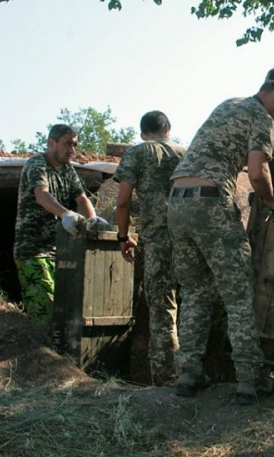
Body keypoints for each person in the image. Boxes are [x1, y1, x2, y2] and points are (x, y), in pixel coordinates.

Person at [167, 62, 274, 404]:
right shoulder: (261, 117)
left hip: (177, 203)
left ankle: (189, 374)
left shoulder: (230, 104)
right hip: (210, 203)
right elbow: (257, 172)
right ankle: (250, 380)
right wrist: (273, 201)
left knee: (196, 291)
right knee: (237, 293)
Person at [113, 110, 186, 386]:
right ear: (168, 128)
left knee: (162, 306)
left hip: (157, 240)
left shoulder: (138, 152)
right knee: (193, 301)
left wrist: (123, 237)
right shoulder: (185, 152)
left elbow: (122, 201)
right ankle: (191, 370)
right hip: (190, 237)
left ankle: (166, 377)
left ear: (143, 133)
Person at [14, 124, 101, 324]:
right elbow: (41, 195)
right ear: (51, 143)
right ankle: (39, 354)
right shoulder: (38, 164)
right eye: (67, 144)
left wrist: (92, 221)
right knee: (44, 311)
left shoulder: (68, 169)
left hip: (58, 252)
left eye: (75, 145)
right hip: (32, 252)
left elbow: (82, 199)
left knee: (65, 312)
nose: (72, 150)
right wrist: (65, 215)